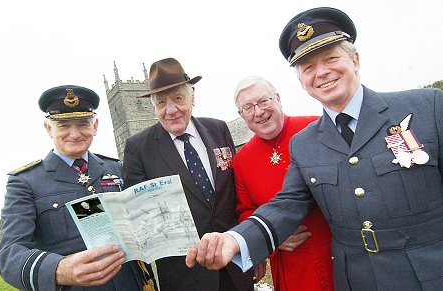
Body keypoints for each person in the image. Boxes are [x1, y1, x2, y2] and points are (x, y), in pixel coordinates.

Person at [186, 7, 443, 291]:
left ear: (355, 59)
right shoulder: (305, 143)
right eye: (308, 67)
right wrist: (235, 240)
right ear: (301, 81)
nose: (321, 72)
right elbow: (286, 205)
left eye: (331, 58)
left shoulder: (427, 107)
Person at [0, 85, 155, 291]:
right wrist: (59, 269)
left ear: (95, 126)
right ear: (48, 128)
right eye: (63, 125)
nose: (75, 133)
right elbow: (9, 256)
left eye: (82, 124)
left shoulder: (117, 168)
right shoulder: (25, 181)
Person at [123, 57, 254, 291]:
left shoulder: (218, 128)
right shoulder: (138, 148)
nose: (170, 110)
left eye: (178, 99)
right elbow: (139, 217)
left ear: (193, 97)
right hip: (185, 276)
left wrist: (250, 247)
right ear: (154, 106)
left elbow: (237, 192)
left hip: (235, 266)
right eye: (161, 102)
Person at [233, 76, 333, 290]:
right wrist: (272, 238)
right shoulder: (241, 161)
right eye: (248, 108)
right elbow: (245, 211)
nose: (258, 112)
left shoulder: (318, 127)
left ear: (278, 98)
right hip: (290, 267)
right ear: (242, 116)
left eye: (263, 101)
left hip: (336, 254)